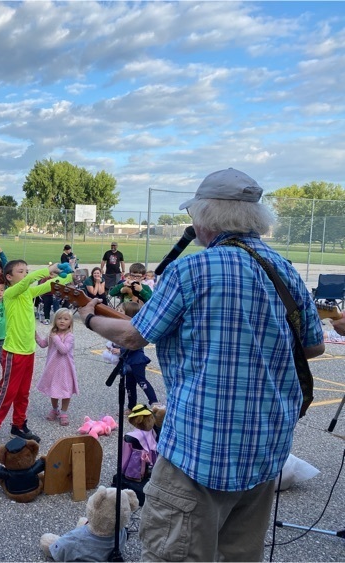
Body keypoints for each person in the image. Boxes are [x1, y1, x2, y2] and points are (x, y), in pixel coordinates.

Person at [78, 168, 324, 561]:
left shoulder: (191, 270)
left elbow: (131, 336)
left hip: (198, 453)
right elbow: (312, 347)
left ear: (207, 218)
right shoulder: (284, 270)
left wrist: (89, 316)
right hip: (263, 452)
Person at [0, 260, 72, 452]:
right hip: (13, 353)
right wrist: (49, 269)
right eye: (20, 271)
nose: (25, 274)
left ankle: (19, 425)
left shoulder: (28, 294)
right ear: (9, 277)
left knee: (23, 393)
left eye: (26, 270)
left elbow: (51, 285)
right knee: (7, 393)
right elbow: (27, 282)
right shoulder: (10, 293)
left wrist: (68, 275)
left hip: (28, 352)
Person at [36, 308, 78, 426]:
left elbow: (63, 350)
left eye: (65, 319)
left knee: (66, 390)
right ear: (55, 320)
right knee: (53, 390)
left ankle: (64, 412)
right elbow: (43, 344)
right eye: (59, 318)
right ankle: (54, 409)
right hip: (53, 368)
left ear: (70, 322)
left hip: (66, 369)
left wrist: (55, 338)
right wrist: (35, 335)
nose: (62, 321)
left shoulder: (70, 336)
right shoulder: (52, 333)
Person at [120, 301, 158, 410]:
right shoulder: (125, 327)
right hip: (128, 361)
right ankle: (131, 406)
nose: (117, 312)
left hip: (137, 361)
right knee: (129, 385)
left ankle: (154, 403)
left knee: (142, 382)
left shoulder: (135, 329)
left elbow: (134, 345)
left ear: (129, 314)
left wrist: (120, 350)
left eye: (121, 311)